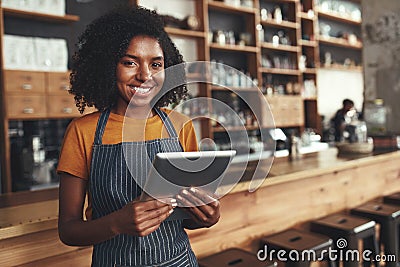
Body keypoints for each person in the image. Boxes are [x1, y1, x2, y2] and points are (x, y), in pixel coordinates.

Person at [56, 6, 220, 267]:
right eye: (130, 62)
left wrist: (206, 216)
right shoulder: (83, 132)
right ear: (108, 65)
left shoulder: (181, 126)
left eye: (156, 64)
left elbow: (186, 217)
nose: (145, 75)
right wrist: (115, 224)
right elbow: (68, 230)